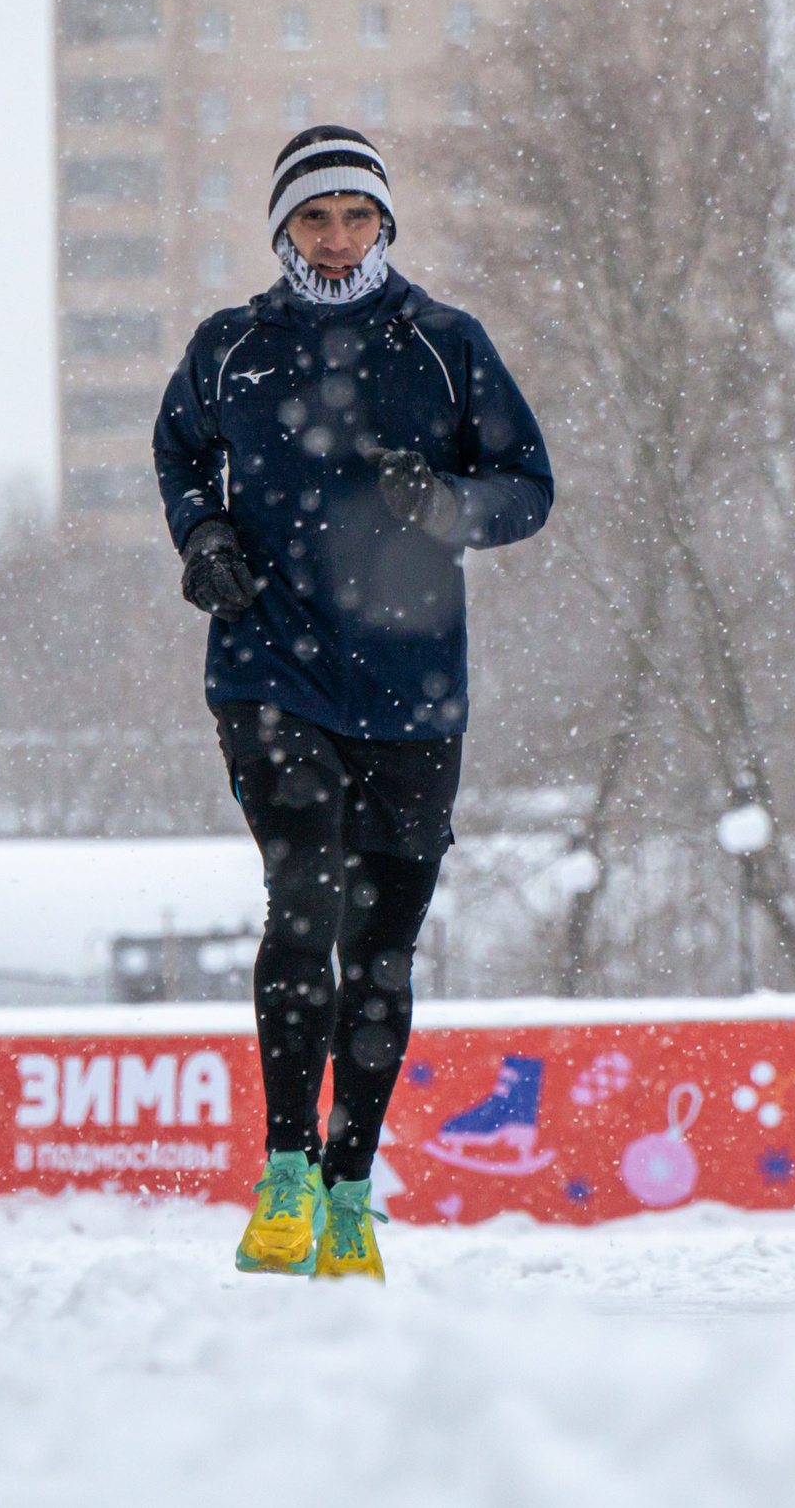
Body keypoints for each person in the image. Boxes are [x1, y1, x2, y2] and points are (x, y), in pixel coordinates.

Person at [153, 126, 553, 1280]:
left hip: (415, 688)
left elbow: (529, 486)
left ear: (385, 224)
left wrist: (450, 508)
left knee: (381, 949)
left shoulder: (442, 345)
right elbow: (180, 456)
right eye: (313, 219)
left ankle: (346, 1193)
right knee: (304, 904)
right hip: (270, 668)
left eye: (355, 217)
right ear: (282, 229)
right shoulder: (232, 349)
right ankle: (280, 1180)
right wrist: (206, 537)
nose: (334, 240)